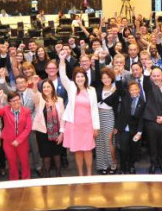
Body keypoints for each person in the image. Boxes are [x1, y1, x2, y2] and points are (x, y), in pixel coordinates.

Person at [59, 48, 100, 176]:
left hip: (88, 125)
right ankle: (81, 174)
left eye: (82, 76)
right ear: (74, 78)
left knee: (88, 150)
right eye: (78, 76)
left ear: (85, 78)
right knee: (78, 151)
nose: (80, 78)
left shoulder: (91, 90)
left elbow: (94, 110)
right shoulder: (71, 87)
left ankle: (88, 174)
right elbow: (62, 75)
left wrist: (96, 127)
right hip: (74, 125)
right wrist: (61, 59)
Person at [0, 91, 33, 181]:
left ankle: (26, 180)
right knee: (12, 163)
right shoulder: (6, 110)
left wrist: (18, 140)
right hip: (8, 142)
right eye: (13, 101)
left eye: (17, 100)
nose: (16, 102)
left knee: (24, 162)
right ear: (9, 103)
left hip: (22, 142)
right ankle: (14, 181)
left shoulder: (26, 111)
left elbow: (28, 128)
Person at [31, 80, 65, 177]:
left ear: (52, 88)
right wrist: (34, 84)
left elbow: (62, 117)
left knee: (57, 155)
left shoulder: (60, 100)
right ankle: (47, 175)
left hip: (57, 132)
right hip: (43, 132)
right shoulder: (40, 100)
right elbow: (34, 94)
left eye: (48, 87)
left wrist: (62, 133)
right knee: (46, 155)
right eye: (44, 87)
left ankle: (58, 174)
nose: (46, 89)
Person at [113, 81, 146, 174]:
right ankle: (123, 167)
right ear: (128, 91)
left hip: (134, 130)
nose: (134, 91)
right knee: (123, 149)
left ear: (139, 90)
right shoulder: (125, 97)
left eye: (136, 89)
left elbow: (141, 118)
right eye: (131, 89)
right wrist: (118, 77)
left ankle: (131, 165)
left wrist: (139, 132)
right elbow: (119, 88)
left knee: (133, 149)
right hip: (124, 128)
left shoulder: (142, 102)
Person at [93, 67, 121, 174]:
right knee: (100, 141)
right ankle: (103, 165)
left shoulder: (116, 88)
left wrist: (116, 125)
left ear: (112, 78)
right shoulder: (99, 88)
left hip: (109, 115)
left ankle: (113, 163)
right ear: (101, 80)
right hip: (98, 115)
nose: (106, 80)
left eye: (108, 77)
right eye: (104, 78)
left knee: (109, 140)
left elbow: (119, 102)